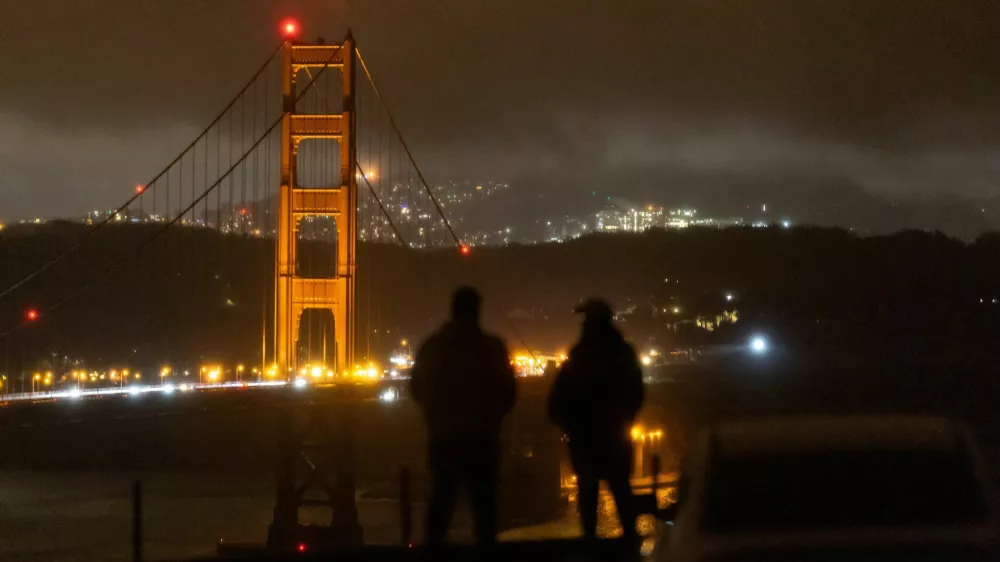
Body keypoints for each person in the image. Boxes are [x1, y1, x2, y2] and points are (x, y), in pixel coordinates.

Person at [410, 286, 517, 546]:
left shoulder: (432, 347)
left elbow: (415, 389)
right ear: (478, 311)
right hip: (483, 438)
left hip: (444, 439)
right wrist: (493, 419)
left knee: (440, 505)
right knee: (485, 512)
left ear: (453, 309)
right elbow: (508, 392)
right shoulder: (492, 348)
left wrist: (435, 416)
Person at [548, 299, 644, 542]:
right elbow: (636, 393)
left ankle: (590, 543)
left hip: (586, 439)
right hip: (615, 436)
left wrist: (567, 424)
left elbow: (558, 398)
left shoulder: (579, 356)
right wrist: (626, 418)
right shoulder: (623, 353)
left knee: (589, 493)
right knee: (621, 490)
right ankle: (630, 542)